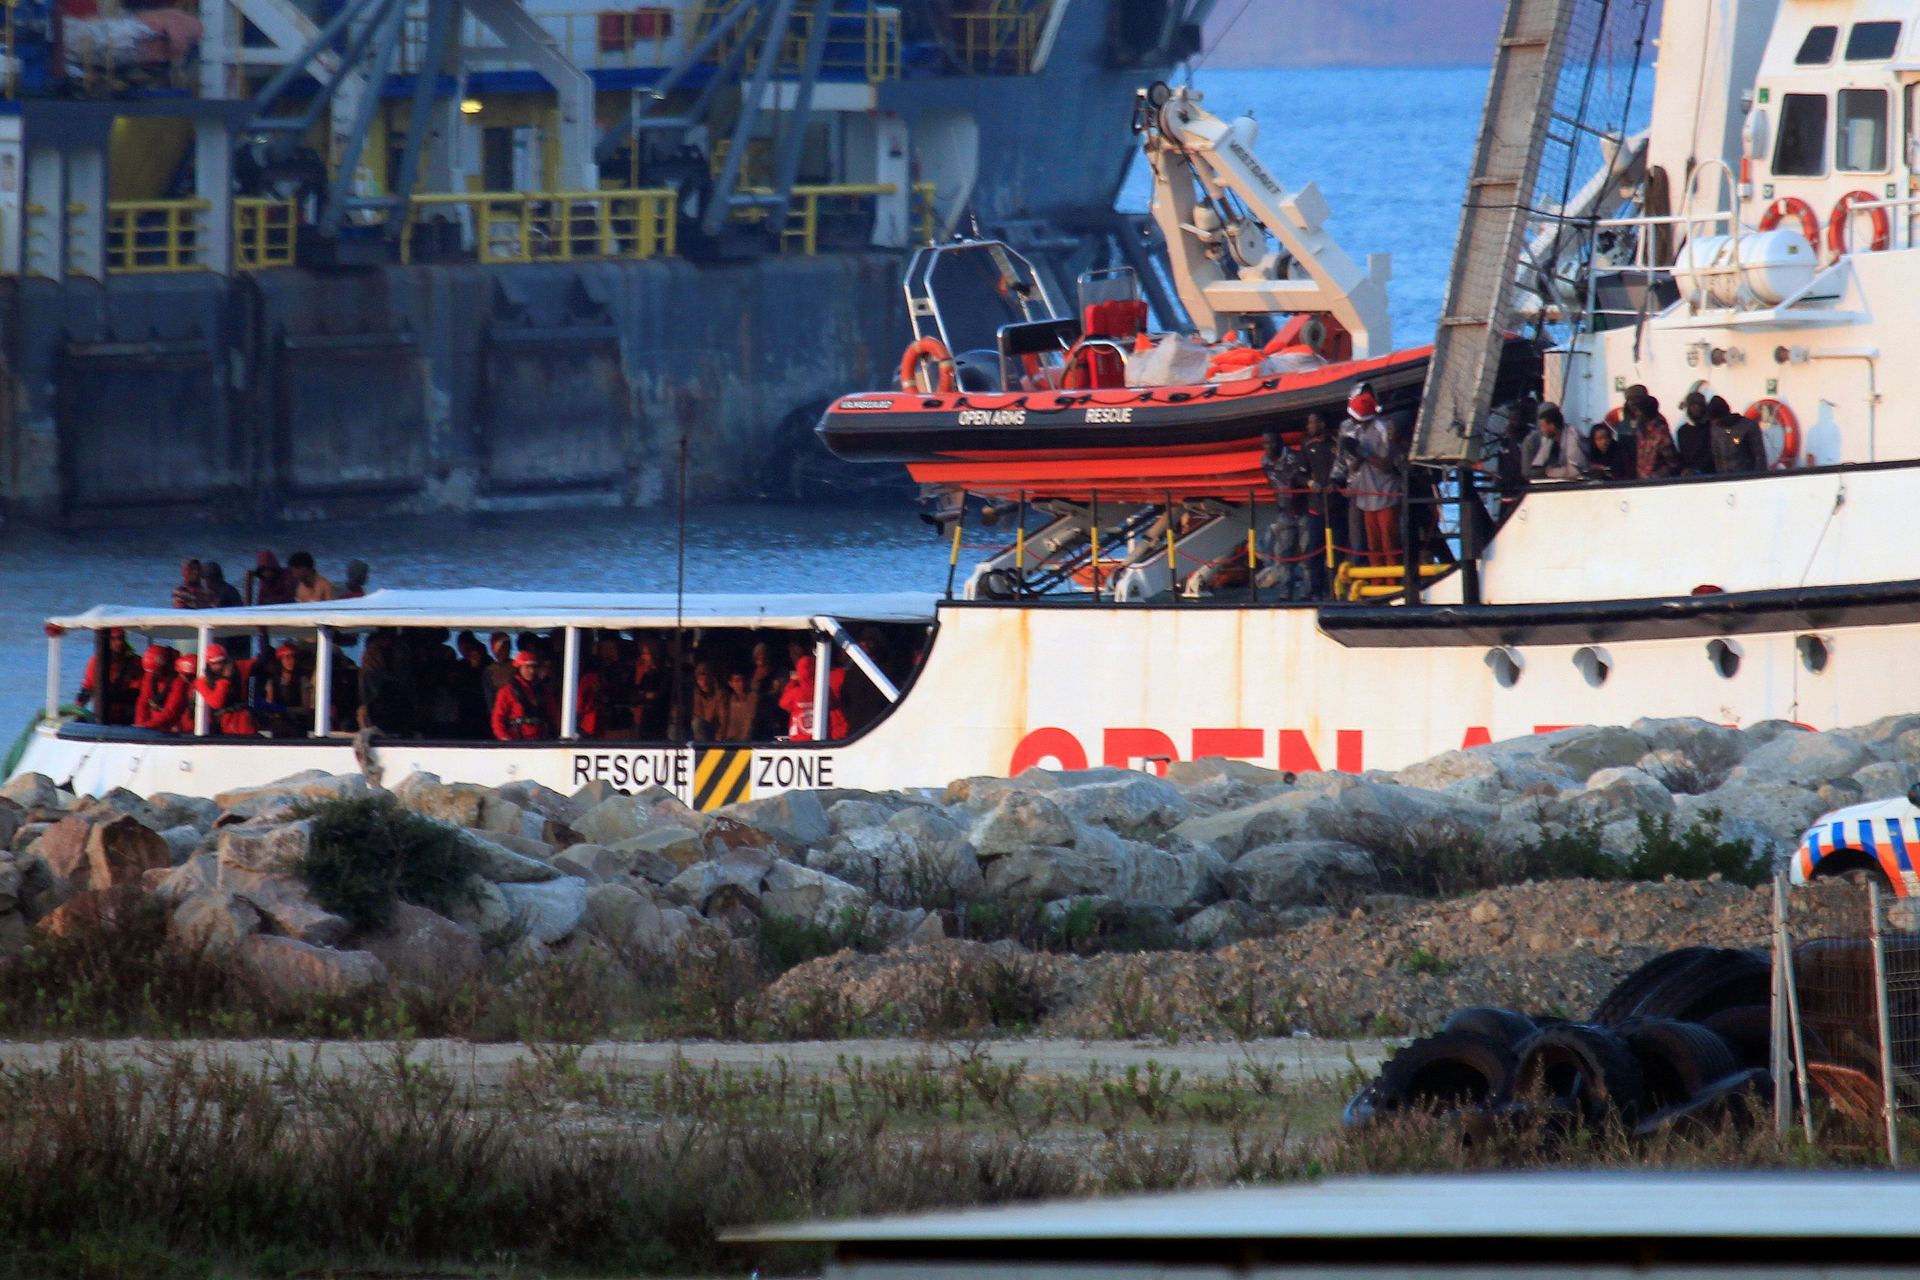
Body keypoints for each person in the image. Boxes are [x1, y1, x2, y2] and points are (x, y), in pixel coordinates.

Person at [1346, 387, 1403, 566]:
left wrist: (1363, 452)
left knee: (1389, 542)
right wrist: (1353, 453)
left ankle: (1394, 581)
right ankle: (1378, 580)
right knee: (1373, 545)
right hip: (1367, 496)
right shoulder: (1357, 432)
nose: (1350, 417)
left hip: (1386, 494)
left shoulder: (1383, 429)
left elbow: (1389, 465)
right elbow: (1355, 467)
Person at [357, 628, 417, 737]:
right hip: (378, 700)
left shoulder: (401, 650)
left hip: (397, 700)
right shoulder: (374, 651)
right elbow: (368, 681)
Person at [76, 628, 142, 726]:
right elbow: (87, 687)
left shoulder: (136, 661)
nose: (119, 642)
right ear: (106, 641)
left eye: (121, 638)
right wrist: (77, 711)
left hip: (128, 715)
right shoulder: (96, 661)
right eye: (113, 639)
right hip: (101, 714)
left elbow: (137, 691)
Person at [194, 643, 257, 736]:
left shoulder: (239, 667)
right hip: (219, 728)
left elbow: (260, 661)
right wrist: (225, 679)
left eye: (222, 663)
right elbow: (216, 703)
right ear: (208, 664)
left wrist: (262, 634)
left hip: (243, 724)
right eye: (214, 664)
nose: (219, 666)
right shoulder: (202, 682)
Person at [493, 650, 556, 740]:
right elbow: (497, 720)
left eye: (534, 667)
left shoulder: (544, 691)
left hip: (542, 742)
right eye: (527, 667)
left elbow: (554, 716)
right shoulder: (507, 691)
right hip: (517, 743)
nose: (532, 671)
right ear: (519, 668)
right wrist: (507, 741)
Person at [255, 642, 311, 737]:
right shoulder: (272, 681)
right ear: (280, 660)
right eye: (287, 657)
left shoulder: (303, 680)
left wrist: (285, 710)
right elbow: (270, 703)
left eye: (294, 657)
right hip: (279, 727)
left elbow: (306, 709)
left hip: (298, 727)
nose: (291, 661)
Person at [1525, 403, 1588, 480]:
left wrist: (1550, 471)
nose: (1541, 430)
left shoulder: (1572, 435)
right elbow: (1536, 468)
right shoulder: (1547, 440)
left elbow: (1575, 472)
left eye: (1543, 426)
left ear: (1552, 426)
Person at [1708, 395, 1767, 474]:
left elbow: (1759, 455)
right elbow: (1717, 456)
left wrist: (1758, 477)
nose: (1713, 422)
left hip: (1747, 477)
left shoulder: (1748, 427)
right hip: (1724, 478)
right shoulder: (1715, 430)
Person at [134, 645, 187, 732]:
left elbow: (171, 711)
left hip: (175, 729)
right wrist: (140, 726)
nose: (153, 674)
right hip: (152, 728)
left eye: (155, 671)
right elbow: (143, 701)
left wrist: (147, 726)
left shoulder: (179, 681)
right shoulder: (150, 675)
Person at [1629, 392, 1679, 479]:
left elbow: (1672, 462)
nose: (1636, 413)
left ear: (1646, 412)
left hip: (1656, 481)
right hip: (1641, 479)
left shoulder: (1660, 431)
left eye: (1639, 410)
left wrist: (1655, 476)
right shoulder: (1640, 429)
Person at [631, 637, 669, 739]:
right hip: (644, 721)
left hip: (660, 722)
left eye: (646, 654)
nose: (643, 657)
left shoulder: (665, 674)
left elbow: (660, 696)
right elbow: (634, 697)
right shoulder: (645, 675)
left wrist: (644, 696)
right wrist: (644, 695)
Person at [1675, 392, 1714, 475]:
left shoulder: (1712, 428)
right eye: (1693, 405)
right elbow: (1682, 456)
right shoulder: (1682, 431)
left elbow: (1712, 453)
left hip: (1710, 475)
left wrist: (1698, 470)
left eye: (1699, 405)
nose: (1696, 408)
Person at [689, 662, 726, 740]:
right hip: (702, 730)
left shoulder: (720, 695)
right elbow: (697, 715)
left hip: (716, 732)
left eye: (706, 678)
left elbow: (723, 719)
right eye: (700, 679)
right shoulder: (697, 695)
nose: (703, 682)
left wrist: (719, 736)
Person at [720, 670, 759, 741]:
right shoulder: (728, 699)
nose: (741, 683)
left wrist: (743, 742)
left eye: (743, 680)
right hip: (730, 740)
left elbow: (750, 721)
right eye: (737, 681)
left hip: (748, 741)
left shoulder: (753, 697)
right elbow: (723, 722)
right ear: (730, 683)